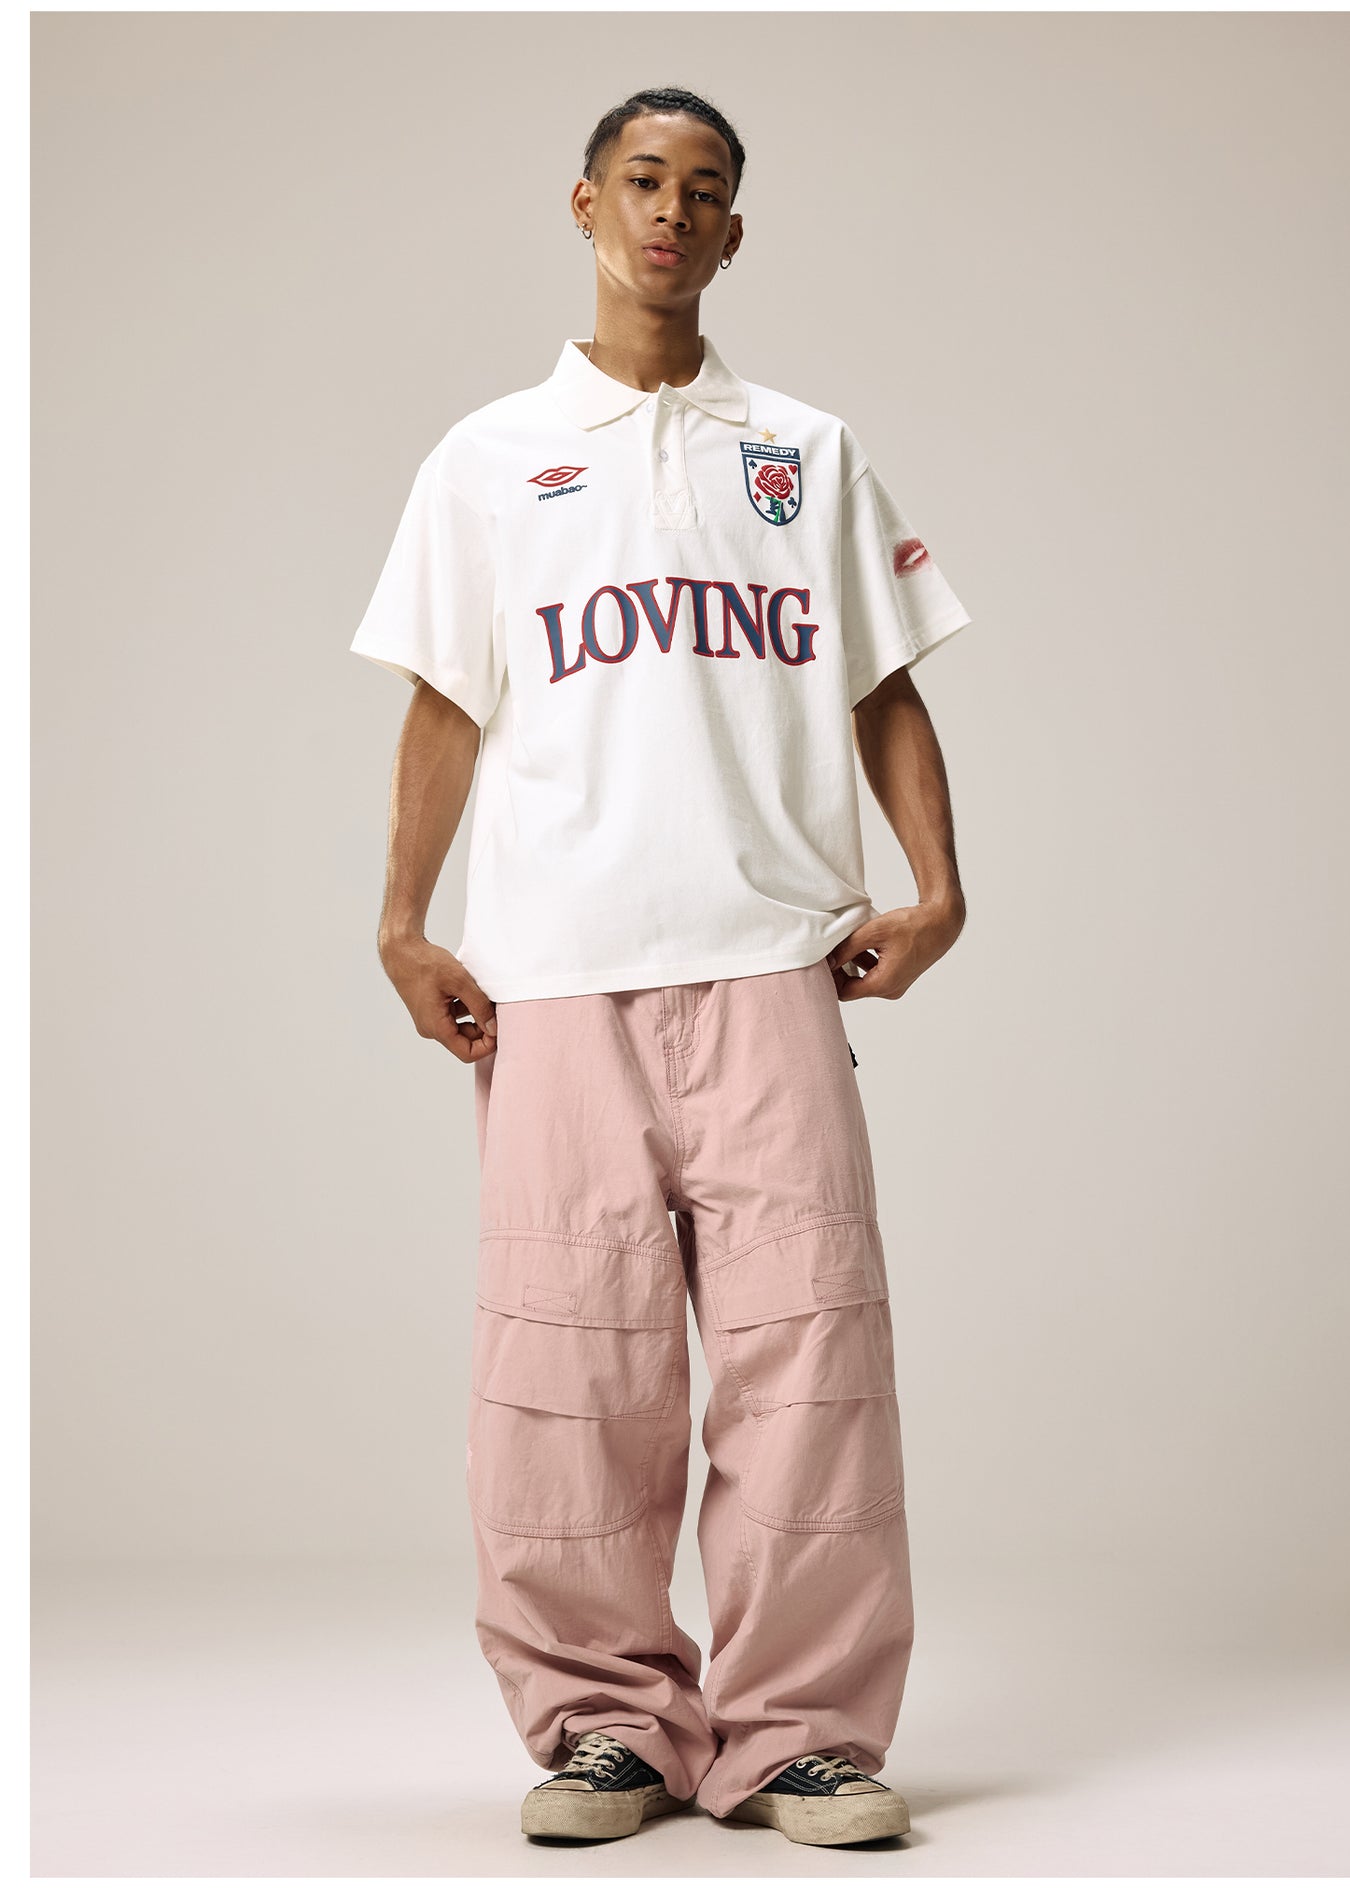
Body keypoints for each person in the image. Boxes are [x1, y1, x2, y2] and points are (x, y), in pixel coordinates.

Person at [349, 85, 973, 1848]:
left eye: (704, 190)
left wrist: (939, 887)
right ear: (585, 204)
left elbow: (883, 682)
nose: (670, 213)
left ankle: (801, 1736)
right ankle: (605, 1723)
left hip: (773, 962)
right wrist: (401, 919)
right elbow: (446, 701)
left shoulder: (807, 452)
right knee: (571, 1374)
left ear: (734, 231)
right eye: (642, 180)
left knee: (808, 1363)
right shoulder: (489, 458)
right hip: (553, 976)